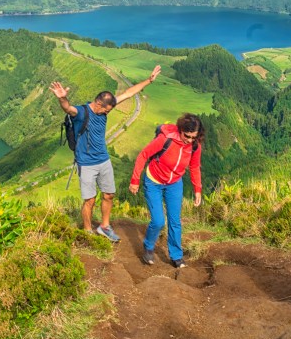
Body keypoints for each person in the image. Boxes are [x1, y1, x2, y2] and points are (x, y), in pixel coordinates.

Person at [50, 64, 161, 242]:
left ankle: (105, 226)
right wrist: (62, 98)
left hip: (104, 160)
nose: (108, 113)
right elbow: (68, 108)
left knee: (109, 194)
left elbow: (128, 94)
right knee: (90, 200)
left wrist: (149, 80)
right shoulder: (81, 112)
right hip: (86, 163)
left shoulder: (105, 108)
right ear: (99, 103)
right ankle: (87, 232)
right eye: (107, 110)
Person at [129, 113, 204, 268]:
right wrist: (135, 180)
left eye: (193, 137)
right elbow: (143, 155)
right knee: (158, 221)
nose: (189, 140)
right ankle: (148, 246)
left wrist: (198, 189)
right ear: (181, 129)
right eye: (187, 136)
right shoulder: (166, 139)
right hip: (154, 181)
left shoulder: (195, 146)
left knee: (175, 221)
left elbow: (194, 166)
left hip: (175, 183)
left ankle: (176, 256)